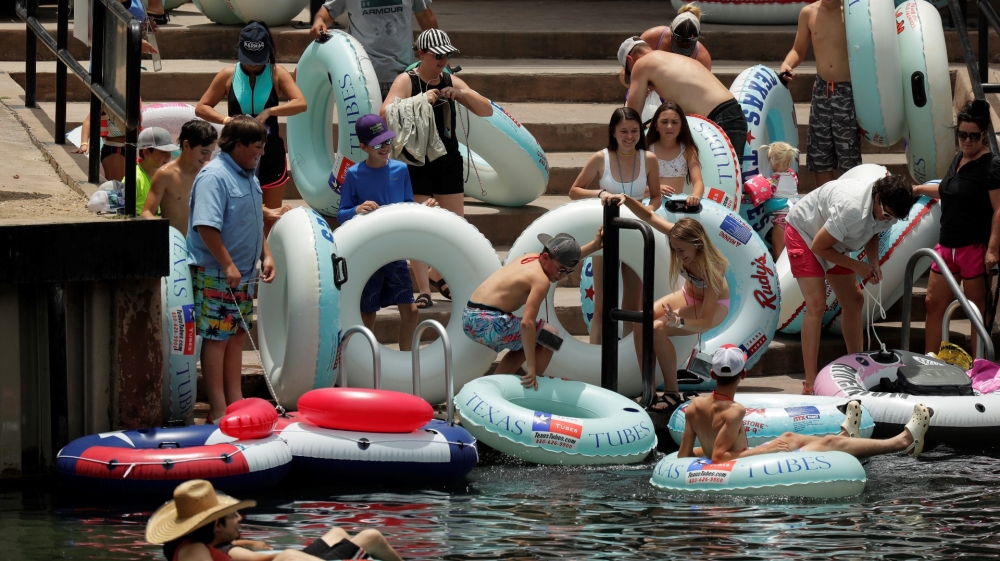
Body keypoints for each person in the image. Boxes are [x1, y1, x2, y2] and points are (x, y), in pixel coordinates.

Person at [381, 29, 493, 309]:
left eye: (448, 55)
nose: (444, 60)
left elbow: (487, 109)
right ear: (421, 54)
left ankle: (436, 274)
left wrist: (461, 93)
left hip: (446, 159)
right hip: (415, 161)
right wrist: (421, 101)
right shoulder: (407, 80)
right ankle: (423, 289)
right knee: (421, 225)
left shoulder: (449, 77)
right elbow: (384, 113)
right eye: (439, 55)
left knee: (454, 226)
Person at [678, 345, 934, 463]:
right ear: (743, 374)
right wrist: (763, 451)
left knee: (790, 436)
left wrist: (709, 452)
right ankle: (902, 442)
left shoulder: (695, 407)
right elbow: (722, 457)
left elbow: (685, 454)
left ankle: (846, 435)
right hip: (749, 464)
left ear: (712, 375)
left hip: (741, 459)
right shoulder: (735, 410)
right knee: (829, 445)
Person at [785, 174, 915, 395]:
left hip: (833, 240)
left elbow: (875, 229)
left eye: (892, 217)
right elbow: (819, 247)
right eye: (886, 214)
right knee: (816, 304)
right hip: (805, 233)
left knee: (854, 300)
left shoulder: (887, 209)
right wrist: (858, 266)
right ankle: (809, 382)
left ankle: (858, 369)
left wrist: (872, 261)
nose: (887, 219)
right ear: (877, 198)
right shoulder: (852, 209)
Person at [604, 194, 730, 410]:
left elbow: (706, 322)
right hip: (688, 293)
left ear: (698, 245)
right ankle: (649, 390)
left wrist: (678, 321)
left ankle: (672, 393)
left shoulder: (713, 271)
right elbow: (648, 216)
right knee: (640, 320)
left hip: (714, 308)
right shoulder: (677, 236)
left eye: (681, 250)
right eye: (674, 249)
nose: (677, 255)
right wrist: (625, 198)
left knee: (658, 329)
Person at [187, 116, 276, 423]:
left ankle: (235, 399)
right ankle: (218, 407)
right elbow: (205, 226)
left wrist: (266, 254)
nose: (261, 153)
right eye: (256, 147)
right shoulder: (215, 176)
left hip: (244, 272)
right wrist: (227, 263)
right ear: (238, 146)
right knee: (217, 337)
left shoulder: (249, 172)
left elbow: (252, 219)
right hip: (217, 271)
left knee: (237, 334)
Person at [337, 114, 437, 350]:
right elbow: (341, 215)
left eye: (387, 141)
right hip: (369, 254)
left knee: (411, 311)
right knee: (368, 314)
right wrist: (356, 210)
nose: (385, 147)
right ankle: (363, 359)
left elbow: (406, 205)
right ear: (363, 147)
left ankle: (406, 361)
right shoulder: (353, 174)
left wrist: (423, 208)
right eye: (377, 144)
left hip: (394, 253)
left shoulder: (400, 169)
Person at [195, 21, 305, 234]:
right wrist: (226, 120)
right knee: (237, 212)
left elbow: (301, 103)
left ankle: (268, 264)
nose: (253, 66)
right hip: (236, 152)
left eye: (258, 61)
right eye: (249, 61)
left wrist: (270, 111)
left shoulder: (277, 73)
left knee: (271, 216)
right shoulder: (228, 75)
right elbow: (201, 107)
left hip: (270, 151)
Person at [464, 230, 604, 390]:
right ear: (545, 258)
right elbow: (527, 323)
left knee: (532, 339)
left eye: (568, 271)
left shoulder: (530, 257)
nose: (562, 276)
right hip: (487, 321)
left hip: (470, 317)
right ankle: (531, 385)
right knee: (550, 335)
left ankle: (493, 386)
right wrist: (530, 367)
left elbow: (561, 259)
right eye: (561, 270)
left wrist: (594, 245)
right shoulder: (541, 280)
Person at [913, 100, 1000, 356]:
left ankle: (978, 366)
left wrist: (993, 249)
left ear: (983, 135)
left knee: (976, 308)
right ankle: (932, 361)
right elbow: (948, 189)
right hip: (946, 245)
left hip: (974, 247)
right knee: (932, 303)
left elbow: (999, 209)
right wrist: (917, 189)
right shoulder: (959, 157)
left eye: (973, 136)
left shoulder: (992, 166)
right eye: (962, 134)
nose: (967, 141)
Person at [569, 107, 660, 344]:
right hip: (607, 233)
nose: (630, 136)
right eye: (624, 131)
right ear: (613, 132)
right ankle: (598, 362)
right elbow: (574, 191)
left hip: (636, 233)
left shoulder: (649, 159)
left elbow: (657, 197)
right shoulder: (601, 157)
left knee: (632, 305)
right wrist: (600, 192)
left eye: (634, 130)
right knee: (602, 304)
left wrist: (648, 212)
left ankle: (628, 362)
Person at [146, 479, 403, 561]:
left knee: (337, 533)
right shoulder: (195, 550)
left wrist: (248, 543)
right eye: (232, 515)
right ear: (216, 525)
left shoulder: (192, 546)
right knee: (371, 536)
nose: (240, 518)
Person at [619, 37, 747, 160]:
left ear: (630, 59)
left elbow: (632, 117)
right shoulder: (673, 59)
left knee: (723, 181)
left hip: (719, 118)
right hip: (733, 113)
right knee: (731, 179)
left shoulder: (641, 64)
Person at [780, 0, 861, 188]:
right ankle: (827, 207)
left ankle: (850, 205)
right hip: (821, 91)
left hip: (848, 92)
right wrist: (787, 64)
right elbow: (797, 50)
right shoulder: (808, 13)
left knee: (849, 159)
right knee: (820, 157)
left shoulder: (854, 12)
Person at [310, 0, 439, 100]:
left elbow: (424, 14)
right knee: (369, 132)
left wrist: (438, 50)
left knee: (403, 132)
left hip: (404, 76)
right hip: (364, 78)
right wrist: (319, 20)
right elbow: (328, 11)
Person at [142, 120, 219, 232]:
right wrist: (163, 232)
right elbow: (146, 212)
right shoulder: (166, 175)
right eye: (203, 152)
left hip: (201, 245)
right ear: (186, 145)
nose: (207, 158)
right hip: (176, 243)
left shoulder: (208, 172)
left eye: (211, 152)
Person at [646, 101, 703, 208]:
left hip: (676, 208)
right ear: (656, 126)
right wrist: (655, 189)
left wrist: (695, 195)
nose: (669, 126)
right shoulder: (646, 150)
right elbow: (633, 185)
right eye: (664, 122)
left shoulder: (688, 150)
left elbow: (698, 182)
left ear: (682, 126)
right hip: (649, 205)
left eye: (675, 122)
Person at [759, 141, 800, 259]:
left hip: (781, 220)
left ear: (772, 162)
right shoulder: (793, 175)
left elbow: (762, 194)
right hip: (795, 216)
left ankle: (779, 274)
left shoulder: (773, 181)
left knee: (778, 251)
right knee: (793, 249)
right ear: (789, 161)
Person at [129, 126, 177, 216]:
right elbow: (125, 214)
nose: (168, 156)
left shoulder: (165, 176)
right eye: (163, 152)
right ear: (146, 152)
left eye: (169, 152)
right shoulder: (134, 178)